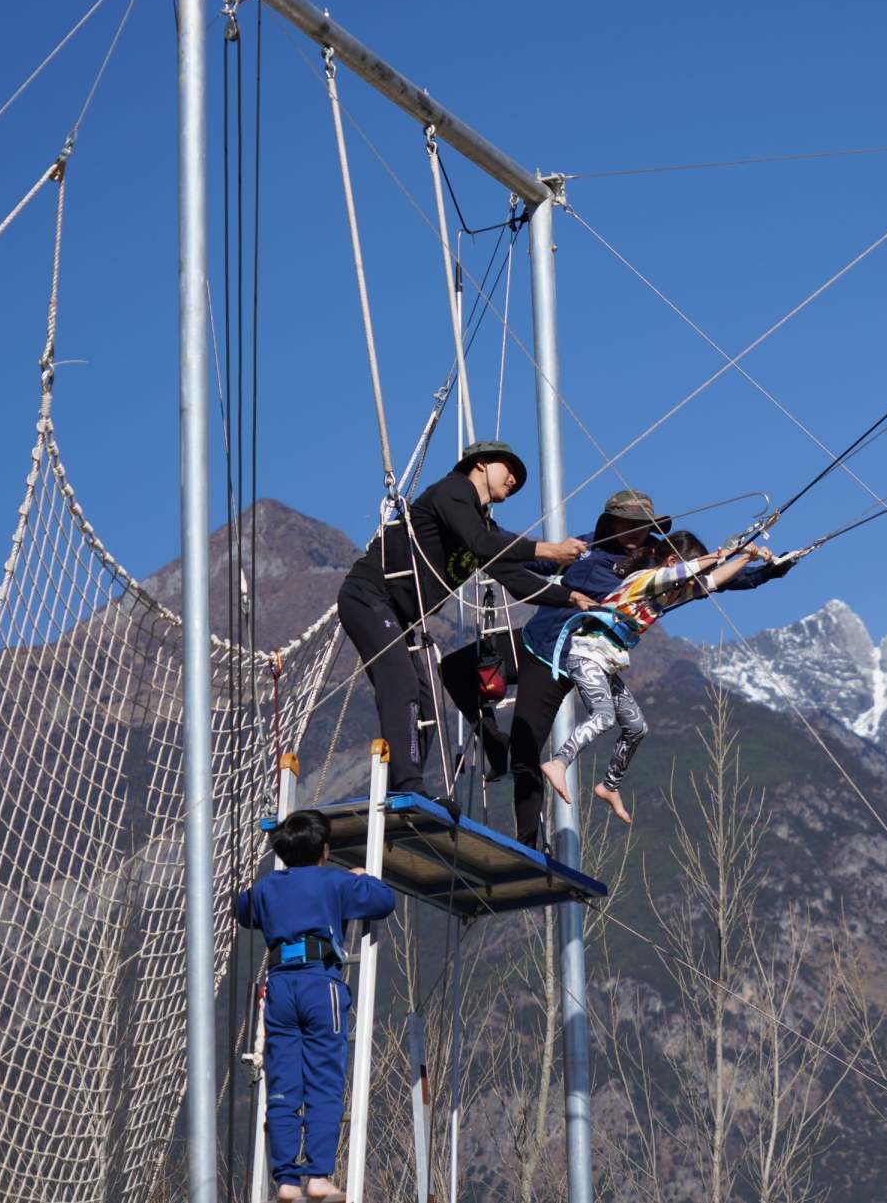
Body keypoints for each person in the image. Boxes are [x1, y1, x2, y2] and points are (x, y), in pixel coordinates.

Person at [336, 441, 590, 802]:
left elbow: (515, 577)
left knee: (425, 705)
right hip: (371, 596)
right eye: (509, 468)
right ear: (481, 464)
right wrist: (548, 549)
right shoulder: (453, 491)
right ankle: (407, 789)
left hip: (400, 616)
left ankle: (403, 788)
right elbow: (483, 543)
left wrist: (568, 596)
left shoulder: (482, 525)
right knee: (402, 688)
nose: (515, 479)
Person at [540, 530, 778, 824]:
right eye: (687, 573)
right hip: (586, 654)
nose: (691, 584)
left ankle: (609, 785)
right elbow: (689, 570)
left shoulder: (665, 595)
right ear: (669, 563)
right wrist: (723, 553)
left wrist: (745, 557)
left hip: (606, 664)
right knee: (603, 717)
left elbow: (712, 581)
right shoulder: (645, 580)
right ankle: (559, 762)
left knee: (637, 727)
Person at [231, 810, 398, 1203]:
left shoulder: (269, 888)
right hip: (319, 983)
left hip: (280, 985)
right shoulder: (334, 881)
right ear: (324, 849)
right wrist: (362, 878)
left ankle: (286, 1181)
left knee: (284, 1084)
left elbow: (243, 909)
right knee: (324, 1080)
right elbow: (383, 901)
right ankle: (318, 1176)